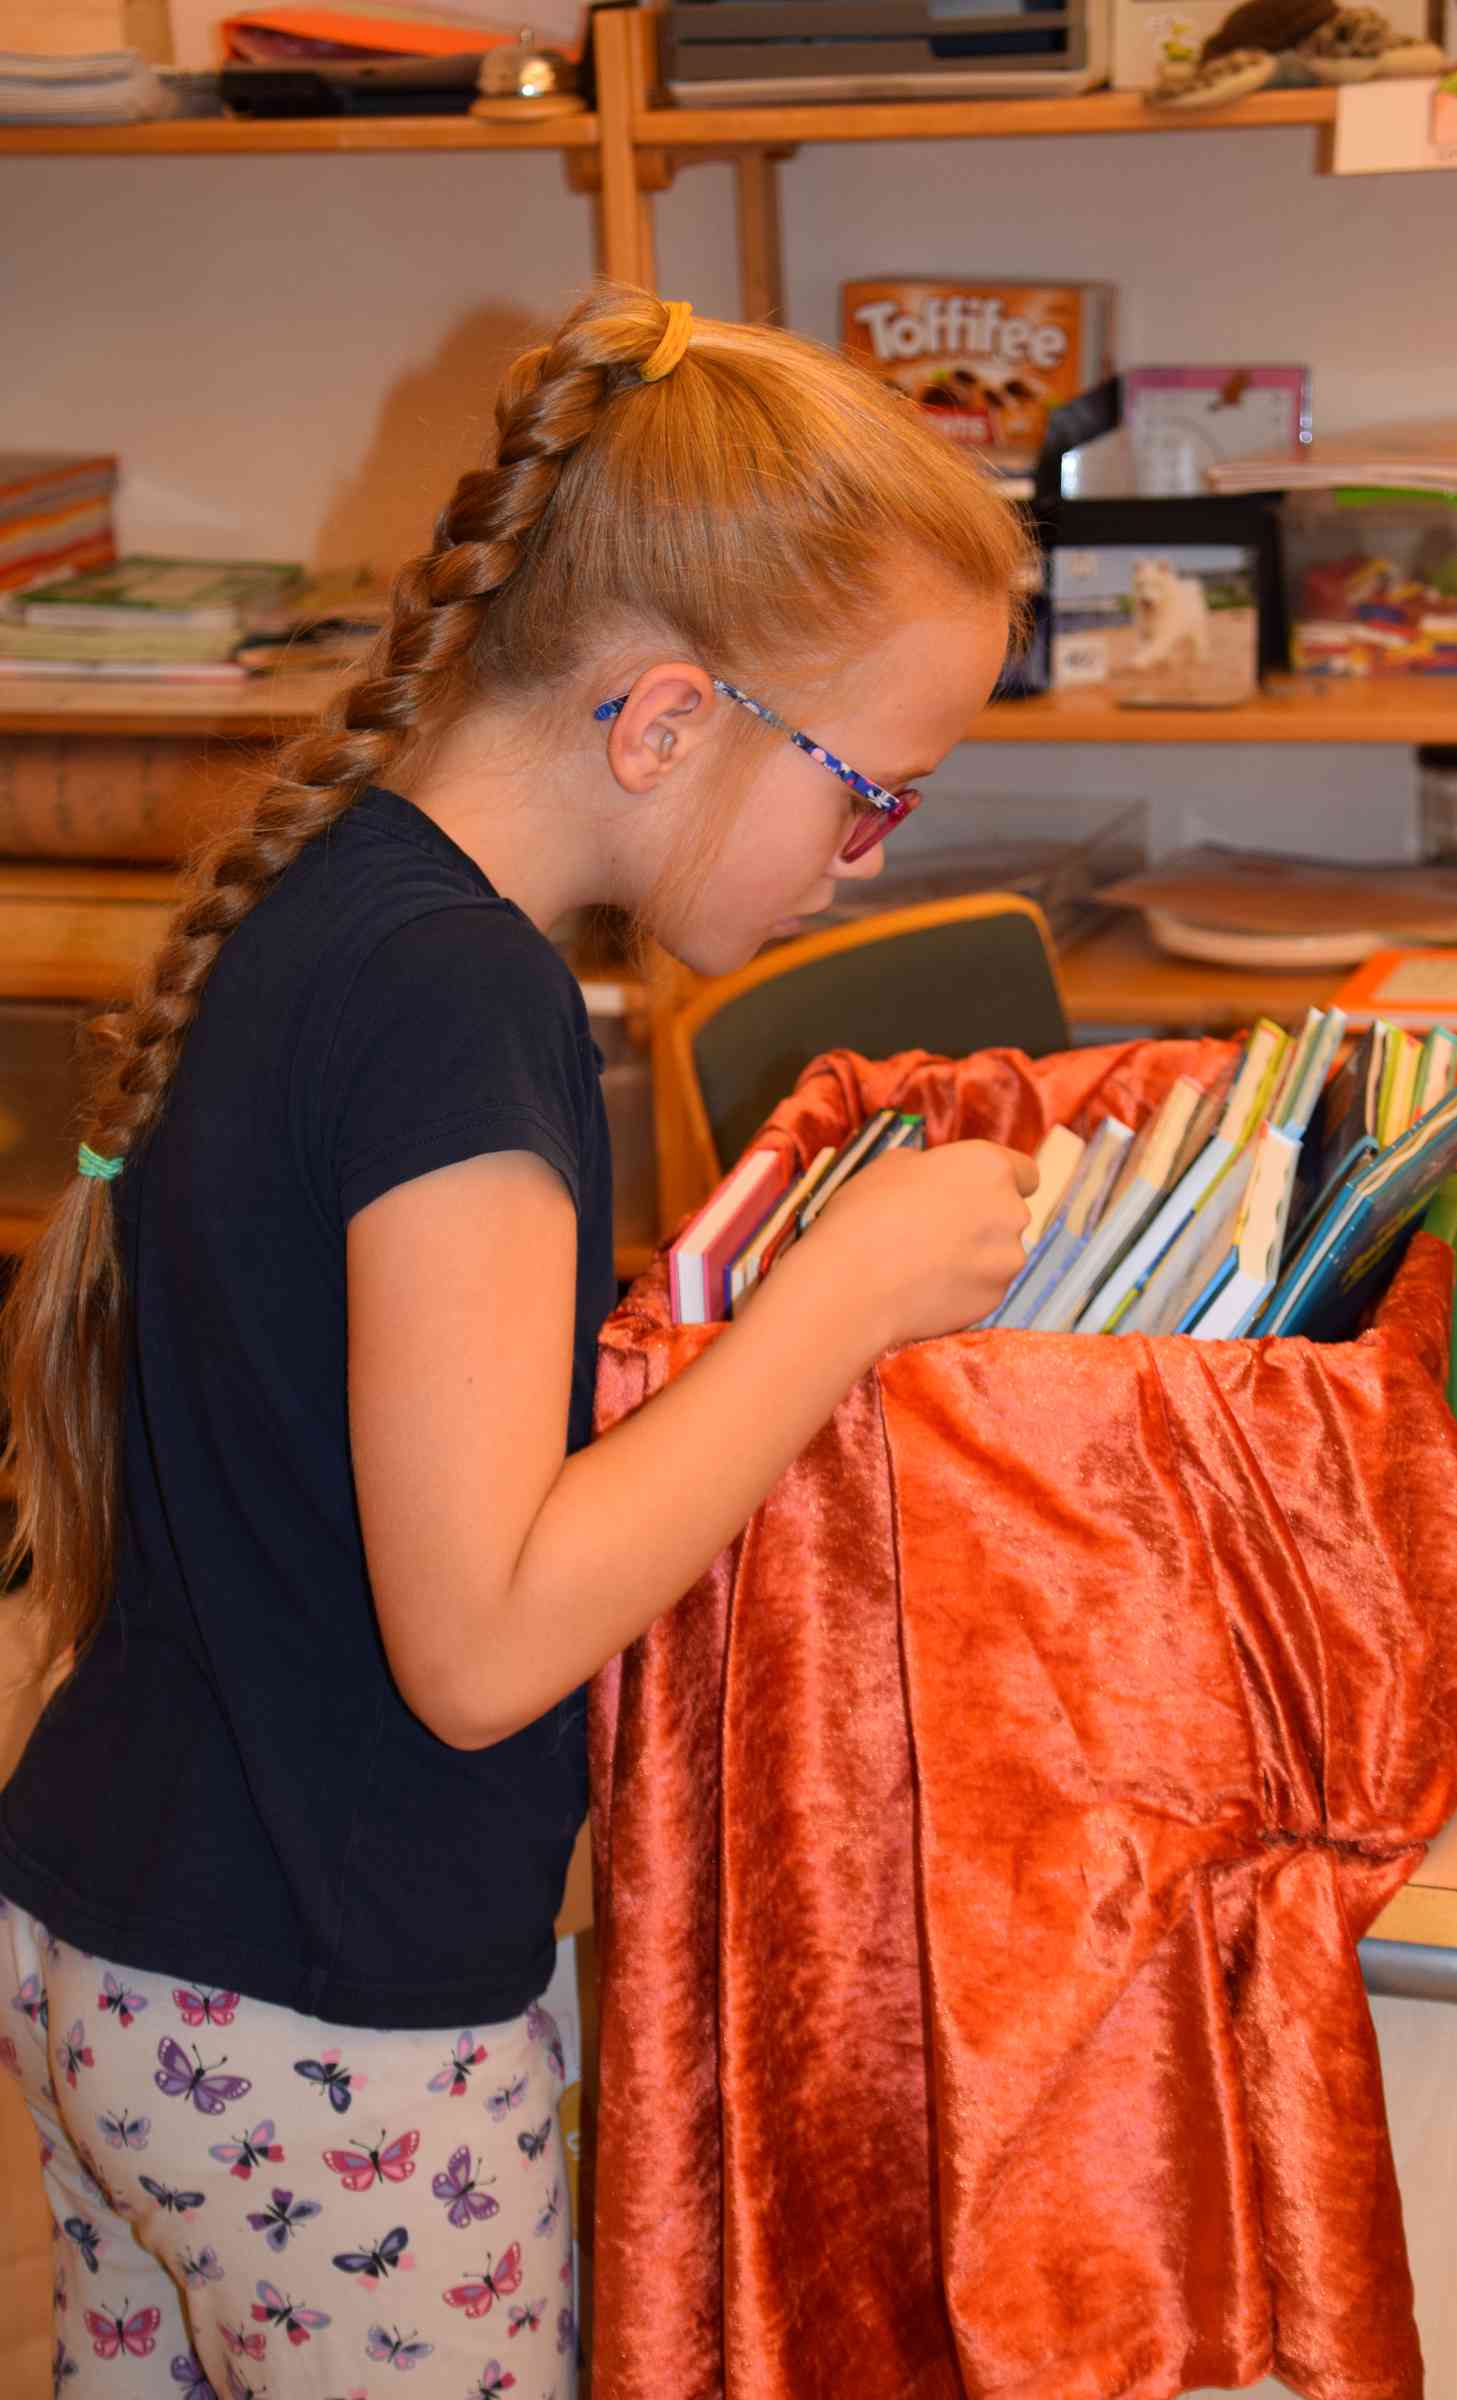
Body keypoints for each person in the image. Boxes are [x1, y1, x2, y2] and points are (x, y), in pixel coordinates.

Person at [0, 285, 1039, 2396]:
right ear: (661, 723)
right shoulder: (463, 1012)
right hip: (327, 2042)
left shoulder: (350, 902)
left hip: (126, 1933)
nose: (861, 864)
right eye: (871, 797)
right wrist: (837, 1302)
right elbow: (479, 1647)